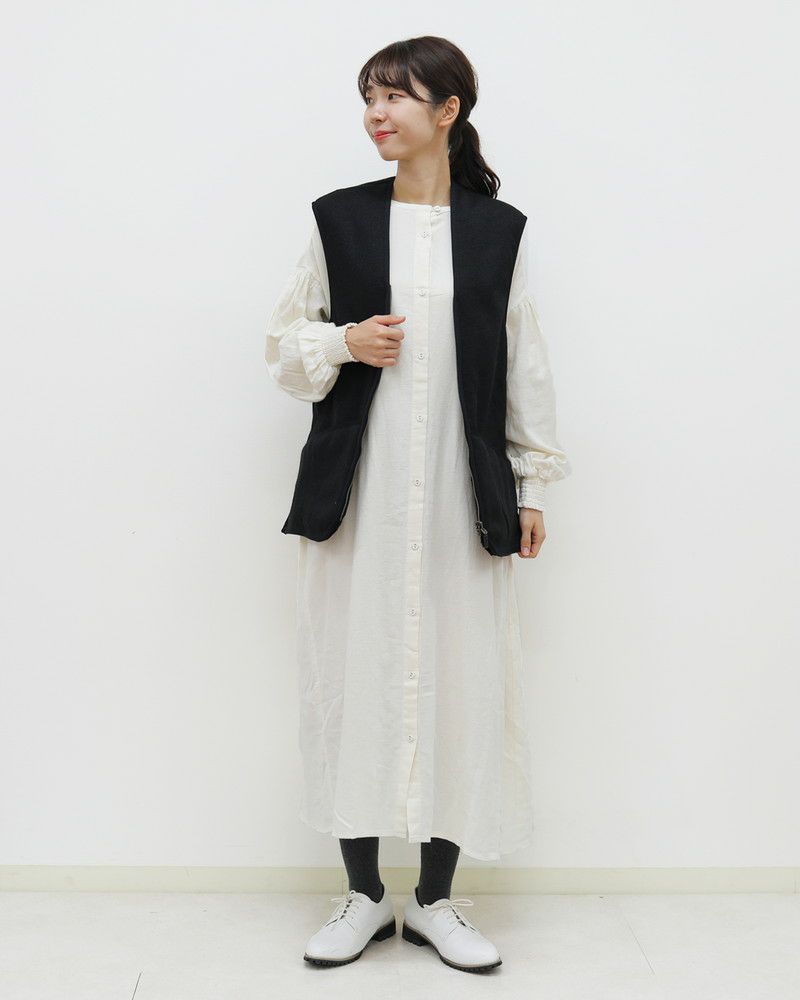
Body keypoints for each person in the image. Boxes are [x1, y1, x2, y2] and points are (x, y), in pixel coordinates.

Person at [265, 35, 571, 973]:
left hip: (458, 491)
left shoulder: (499, 231)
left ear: (448, 111)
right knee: (353, 673)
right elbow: (284, 347)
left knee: (462, 679)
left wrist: (529, 481)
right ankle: (363, 895)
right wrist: (345, 342)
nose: (377, 112)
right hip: (358, 493)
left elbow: (521, 360)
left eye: (396, 95)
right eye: (369, 95)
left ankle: (435, 901)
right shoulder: (338, 220)